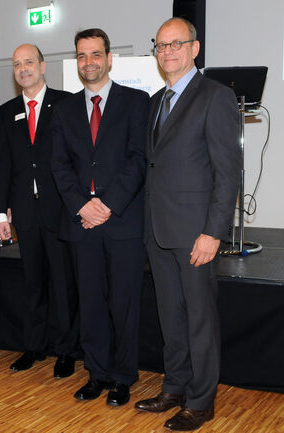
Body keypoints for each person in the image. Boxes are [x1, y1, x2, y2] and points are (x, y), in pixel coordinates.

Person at [134, 18, 240, 431]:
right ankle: (174, 388)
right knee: (171, 318)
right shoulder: (156, 100)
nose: (167, 52)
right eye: (160, 45)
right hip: (158, 232)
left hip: (197, 233)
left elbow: (227, 173)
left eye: (176, 44)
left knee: (199, 321)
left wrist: (213, 232)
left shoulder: (215, 97)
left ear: (195, 49)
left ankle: (201, 400)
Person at [51, 28, 149, 406]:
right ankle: (98, 373)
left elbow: (139, 160)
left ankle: (123, 377)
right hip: (81, 223)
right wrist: (82, 205)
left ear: (109, 58)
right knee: (90, 303)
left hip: (121, 221)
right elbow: (58, 166)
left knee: (123, 304)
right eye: (81, 55)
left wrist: (106, 204)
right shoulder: (63, 110)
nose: (88, 62)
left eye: (95, 54)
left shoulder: (136, 102)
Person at [0, 44, 77, 378]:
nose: (23, 68)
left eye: (29, 62)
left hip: (61, 212)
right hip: (24, 216)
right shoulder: (6, 112)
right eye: (17, 64)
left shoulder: (67, 103)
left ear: (43, 66)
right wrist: (0, 213)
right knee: (33, 284)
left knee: (63, 284)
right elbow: (1, 167)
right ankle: (35, 346)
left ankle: (66, 350)